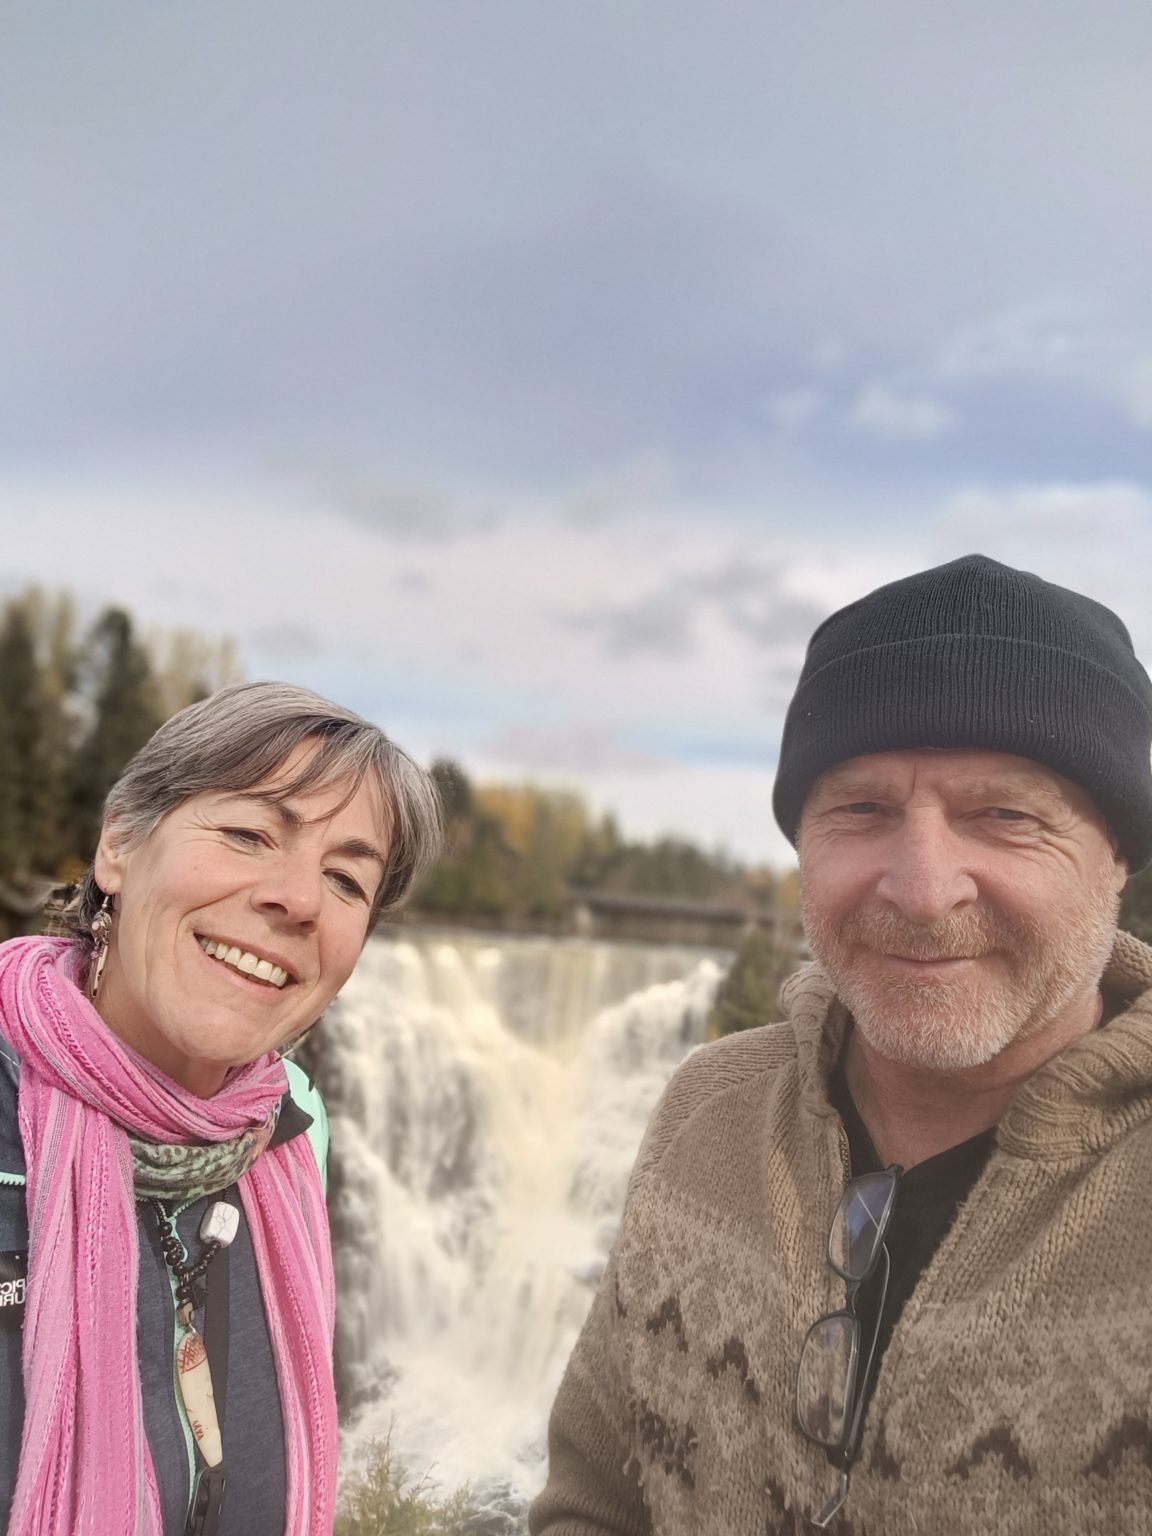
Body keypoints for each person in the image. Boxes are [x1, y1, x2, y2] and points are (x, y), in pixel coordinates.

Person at [530, 554, 1152, 1536]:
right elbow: (593, 1500)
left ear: (1117, 857)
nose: (923, 890)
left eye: (1004, 815)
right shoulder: (709, 1108)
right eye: (862, 809)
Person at [0, 681, 442, 1536]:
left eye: (346, 880)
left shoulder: (292, 1126)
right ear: (119, 844)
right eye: (248, 834)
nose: (299, 899)